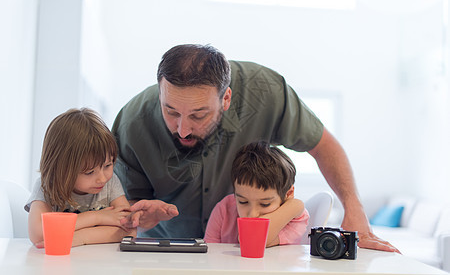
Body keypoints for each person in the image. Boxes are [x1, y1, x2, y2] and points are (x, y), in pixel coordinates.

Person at [114, 44, 398, 252]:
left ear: (226, 99)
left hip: (244, 255)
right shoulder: (132, 124)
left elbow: (323, 145)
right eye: (170, 111)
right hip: (167, 248)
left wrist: (354, 208)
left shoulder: (266, 92)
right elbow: (127, 214)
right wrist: (141, 218)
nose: (183, 128)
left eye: (199, 115)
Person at [25, 108, 177, 247]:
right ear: (61, 170)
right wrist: (97, 218)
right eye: (89, 172)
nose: (102, 178)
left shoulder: (110, 183)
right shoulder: (46, 186)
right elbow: (38, 235)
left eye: (108, 165)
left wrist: (77, 238)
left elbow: (128, 231)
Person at [204, 141, 308, 247]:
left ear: (288, 194)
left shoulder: (295, 217)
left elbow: (252, 240)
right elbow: (208, 255)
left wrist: (296, 206)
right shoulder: (224, 208)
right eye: (243, 202)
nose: (252, 214)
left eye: (265, 204)